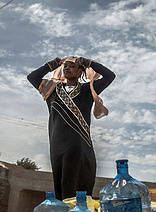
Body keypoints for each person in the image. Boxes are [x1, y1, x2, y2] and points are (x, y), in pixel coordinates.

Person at [27, 56, 116, 200]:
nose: (67, 68)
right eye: (65, 66)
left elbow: (110, 76)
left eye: (72, 66)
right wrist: (52, 65)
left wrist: (88, 63)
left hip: (78, 146)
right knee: (60, 189)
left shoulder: (87, 90)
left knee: (77, 190)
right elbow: (32, 77)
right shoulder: (52, 91)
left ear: (81, 70)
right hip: (57, 145)